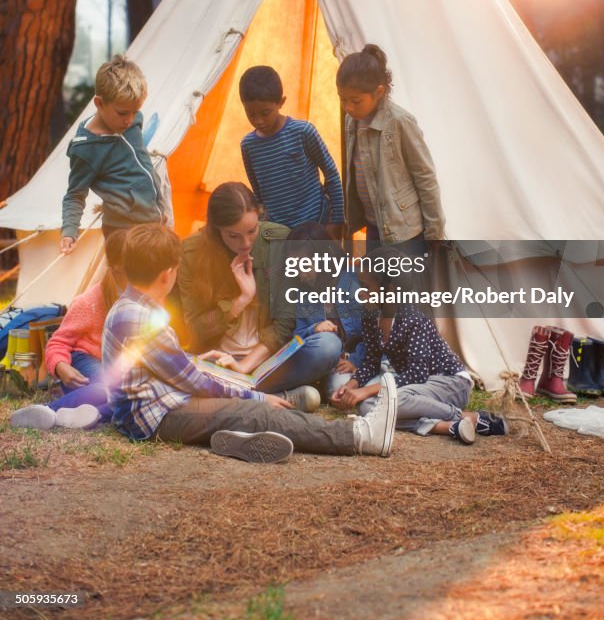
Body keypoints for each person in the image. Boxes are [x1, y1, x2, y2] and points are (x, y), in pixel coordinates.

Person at [102, 223, 398, 462]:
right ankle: (359, 435)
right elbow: (194, 383)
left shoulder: (130, 307)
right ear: (168, 275)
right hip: (155, 416)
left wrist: (207, 365)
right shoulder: (141, 319)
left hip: (158, 404)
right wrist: (255, 397)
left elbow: (174, 370)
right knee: (256, 412)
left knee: (236, 401)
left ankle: (233, 433)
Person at [177, 183, 342, 405]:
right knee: (156, 358)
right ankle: (271, 397)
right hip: (217, 362)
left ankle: (240, 394)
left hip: (267, 362)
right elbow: (195, 330)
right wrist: (240, 301)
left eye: (251, 231)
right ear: (216, 229)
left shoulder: (279, 241)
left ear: (260, 216)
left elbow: (284, 324)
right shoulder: (191, 253)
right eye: (233, 236)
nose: (245, 243)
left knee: (328, 346)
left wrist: (245, 366)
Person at [331, 291, 509, 445]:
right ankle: (446, 427)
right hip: (417, 392)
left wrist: (366, 390)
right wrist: (351, 387)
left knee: (393, 399)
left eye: (367, 286)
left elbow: (417, 374)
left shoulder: (412, 317)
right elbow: (371, 362)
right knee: (367, 406)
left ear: (389, 287)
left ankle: (470, 418)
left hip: (450, 383)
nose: (361, 293)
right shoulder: (370, 317)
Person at [10, 230, 128, 431]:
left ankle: (90, 415)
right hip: (85, 359)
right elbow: (57, 343)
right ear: (117, 270)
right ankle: (46, 410)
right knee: (108, 388)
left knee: (131, 395)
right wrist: (61, 366)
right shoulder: (89, 302)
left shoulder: (144, 299)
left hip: (116, 367)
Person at [336, 45, 446, 252]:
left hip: (405, 231)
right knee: (378, 280)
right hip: (374, 225)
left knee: (407, 282)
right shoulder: (352, 121)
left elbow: (425, 177)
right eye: (343, 100)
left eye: (356, 101)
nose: (348, 107)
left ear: (379, 92)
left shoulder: (400, 123)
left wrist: (434, 233)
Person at [60, 55, 165, 254]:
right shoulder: (85, 150)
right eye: (123, 113)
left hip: (154, 218)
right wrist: (69, 231)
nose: (130, 120)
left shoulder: (133, 118)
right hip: (123, 231)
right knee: (132, 284)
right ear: (99, 103)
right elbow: (75, 195)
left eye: (135, 111)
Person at [239, 65, 344, 234]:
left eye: (265, 113)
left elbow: (331, 172)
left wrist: (337, 220)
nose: (258, 121)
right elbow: (259, 195)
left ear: (281, 102)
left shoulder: (303, 132)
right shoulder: (248, 146)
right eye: (251, 114)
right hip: (280, 234)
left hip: (317, 226)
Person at [286, 223, 366, 399]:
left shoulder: (353, 282)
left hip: (362, 361)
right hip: (331, 367)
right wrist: (314, 330)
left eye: (304, 265)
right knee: (338, 386)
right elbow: (296, 339)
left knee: (346, 387)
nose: (300, 273)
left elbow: (374, 334)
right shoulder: (304, 294)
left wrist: (356, 361)